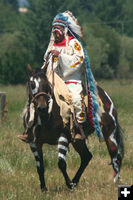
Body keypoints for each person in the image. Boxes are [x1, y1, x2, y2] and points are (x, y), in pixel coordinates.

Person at [18, 11, 103, 142]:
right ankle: (29, 129)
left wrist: (61, 56)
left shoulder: (73, 43)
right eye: (54, 29)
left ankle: (78, 128)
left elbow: (79, 60)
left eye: (58, 28)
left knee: (75, 99)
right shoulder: (52, 44)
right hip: (53, 80)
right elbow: (47, 61)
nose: (56, 32)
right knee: (37, 95)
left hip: (71, 80)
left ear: (65, 29)